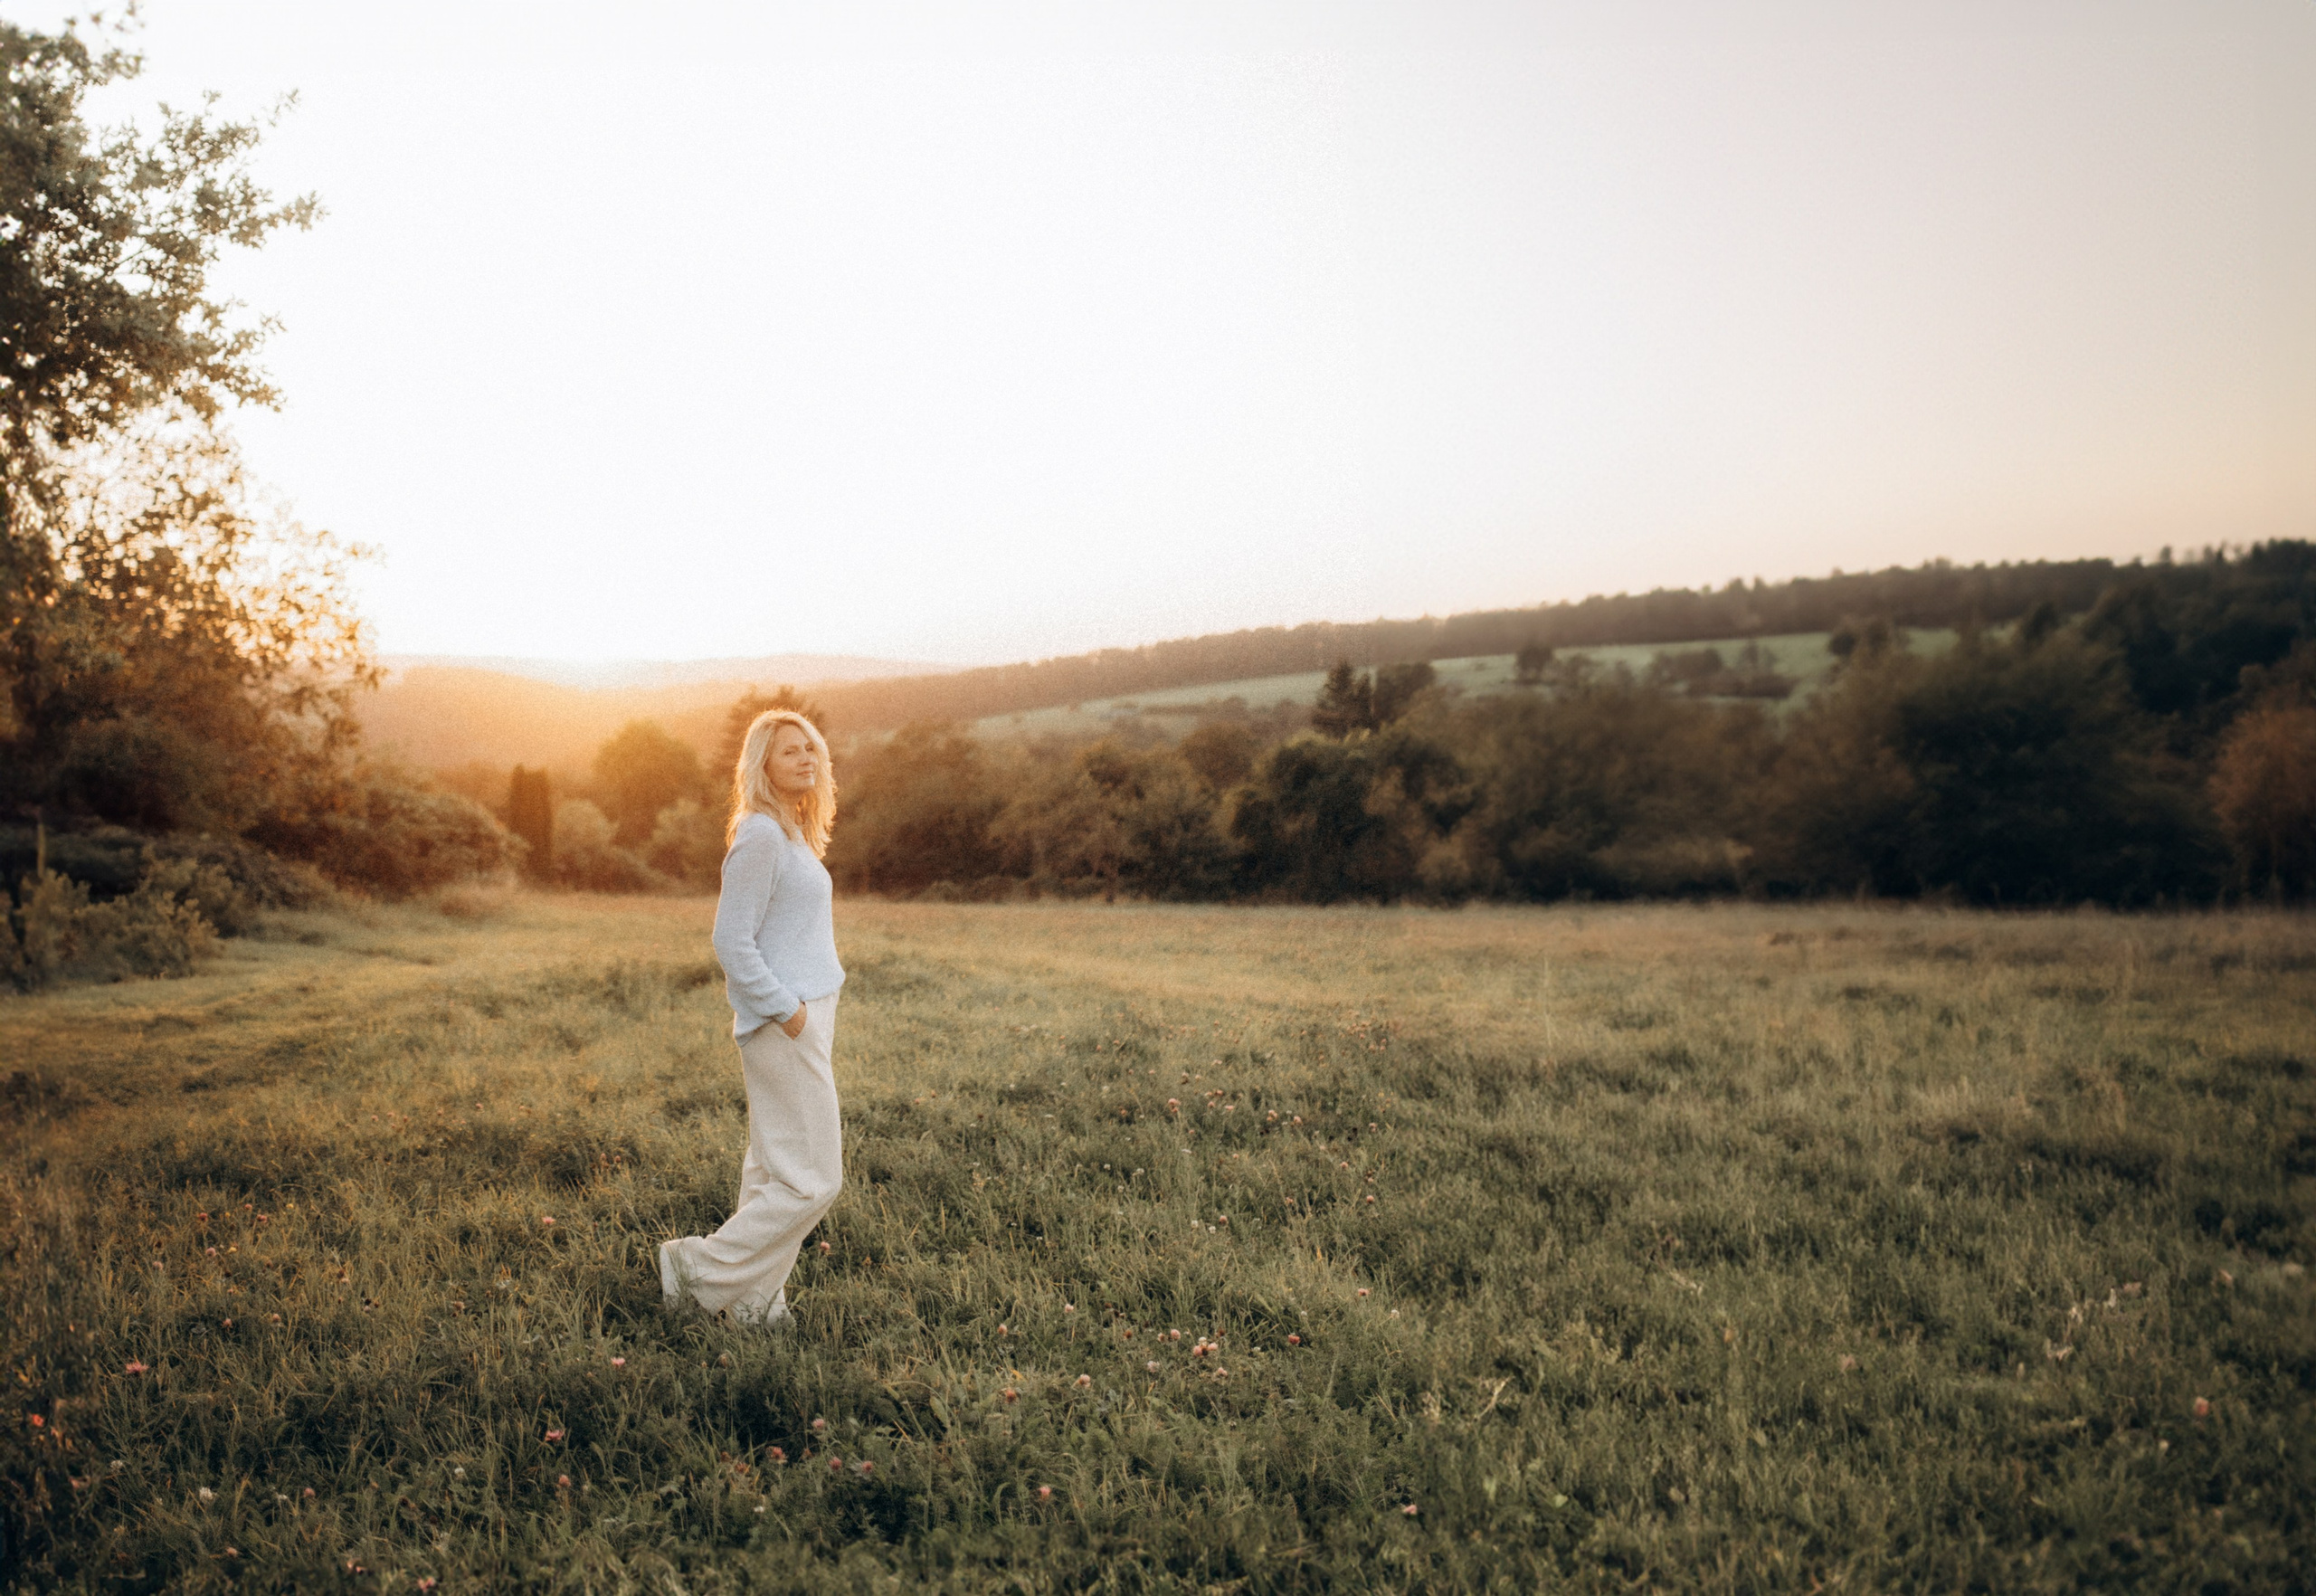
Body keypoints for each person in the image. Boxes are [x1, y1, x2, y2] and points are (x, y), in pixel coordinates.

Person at [658, 709, 846, 1325]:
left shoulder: (791, 831)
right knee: (814, 1179)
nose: (806, 758)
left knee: (771, 1173)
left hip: (804, 1014)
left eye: (811, 748)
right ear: (762, 763)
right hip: (783, 1022)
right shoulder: (761, 833)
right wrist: (788, 1011)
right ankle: (695, 1268)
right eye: (790, 750)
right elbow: (731, 941)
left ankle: (752, 1306)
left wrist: (805, 1012)